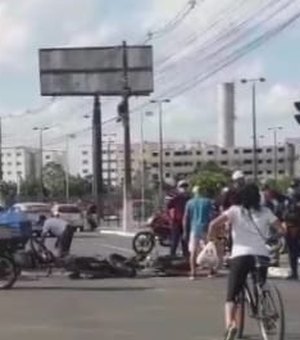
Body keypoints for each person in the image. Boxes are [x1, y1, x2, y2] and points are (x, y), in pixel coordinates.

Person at [207, 183, 284, 340]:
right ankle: (265, 308)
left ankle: (231, 324)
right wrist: (274, 238)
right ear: (258, 197)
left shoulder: (234, 211)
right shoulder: (266, 212)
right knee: (260, 283)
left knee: (232, 295)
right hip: (262, 255)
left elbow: (213, 224)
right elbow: (282, 229)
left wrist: (213, 239)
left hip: (240, 256)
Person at [183, 185, 213, 279]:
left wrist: (185, 231)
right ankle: (210, 272)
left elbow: (185, 218)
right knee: (209, 250)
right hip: (206, 228)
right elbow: (212, 215)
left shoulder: (189, 203)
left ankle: (193, 272)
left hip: (194, 228)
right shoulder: (208, 201)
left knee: (193, 251)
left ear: (194, 193)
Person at [167, 179, 190, 257]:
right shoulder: (175, 198)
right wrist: (171, 218)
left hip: (186, 222)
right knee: (175, 241)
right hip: (176, 222)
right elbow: (169, 208)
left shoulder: (189, 198)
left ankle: (186, 256)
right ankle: (172, 256)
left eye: (185, 186)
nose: (184, 188)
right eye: (182, 186)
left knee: (185, 241)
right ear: (178, 188)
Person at [282, 189, 300, 280]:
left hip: (294, 227)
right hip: (290, 227)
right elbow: (284, 214)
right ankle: (294, 272)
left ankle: (294, 272)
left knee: (293, 252)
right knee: (292, 252)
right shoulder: (289, 202)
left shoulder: (292, 202)